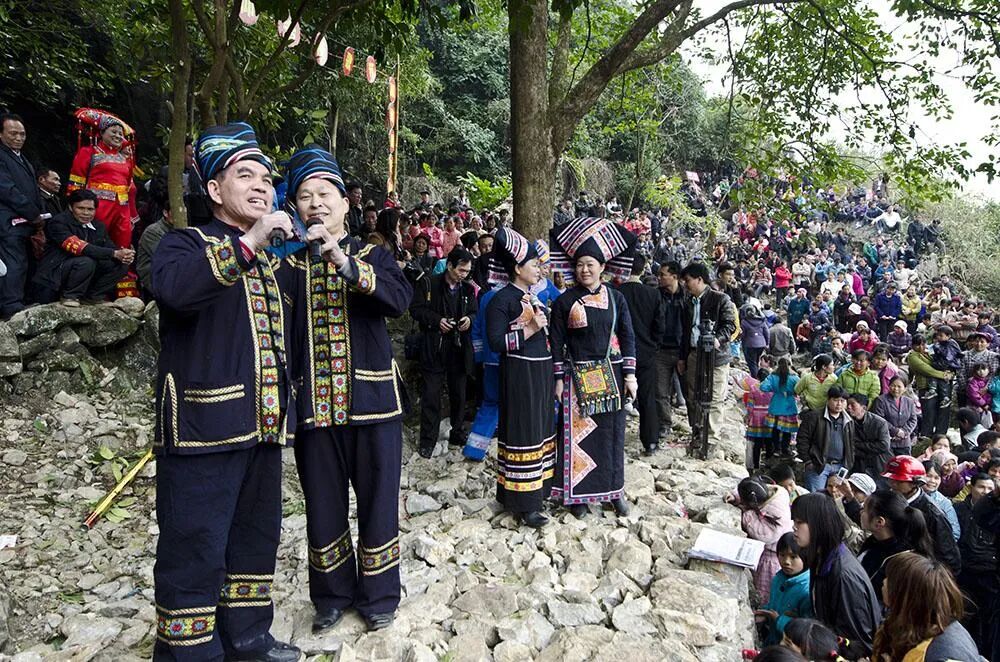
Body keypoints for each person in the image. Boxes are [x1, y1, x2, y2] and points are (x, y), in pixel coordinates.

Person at [149, 122, 299, 661]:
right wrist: (250, 242)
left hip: (262, 428)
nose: (262, 186)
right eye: (245, 176)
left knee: (255, 540)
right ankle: (190, 653)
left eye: (266, 178)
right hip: (200, 430)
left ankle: (249, 639)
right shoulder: (184, 244)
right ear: (214, 189)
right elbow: (174, 292)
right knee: (194, 546)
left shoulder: (275, 264)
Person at [277, 146, 412, 634]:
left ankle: (379, 595)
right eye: (305, 196)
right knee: (323, 503)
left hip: (373, 404)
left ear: (345, 204)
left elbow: (399, 299)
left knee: (378, 499)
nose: (315, 204)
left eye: (324, 194)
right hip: (314, 407)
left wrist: (344, 262)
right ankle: (331, 594)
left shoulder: (372, 254)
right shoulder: (288, 267)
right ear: (294, 207)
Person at [549, 216, 637, 519]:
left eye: (590, 264)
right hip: (576, 378)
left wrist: (630, 374)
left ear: (602, 267)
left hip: (610, 376)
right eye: (579, 265)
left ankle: (614, 491)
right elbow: (556, 342)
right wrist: (558, 379)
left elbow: (627, 336)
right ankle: (578, 497)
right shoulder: (564, 302)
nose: (584, 270)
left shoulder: (617, 298)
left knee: (612, 435)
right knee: (579, 436)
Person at [485, 229, 556, 528]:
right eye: (534, 264)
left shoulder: (530, 297)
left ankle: (535, 493)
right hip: (519, 374)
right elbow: (496, 342)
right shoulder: (502, 299)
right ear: (517, 268)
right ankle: (524, 505)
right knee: (523, 433)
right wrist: (529, 329)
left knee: (539, 431)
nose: (539, 269)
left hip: (540, 372)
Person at [791, 493, 880, 659]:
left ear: (818, 524)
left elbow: (857, 643)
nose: (794, 528)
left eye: (799, 522)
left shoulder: (844, 576)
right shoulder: (821, 557)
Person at [410, 247, 478, 458]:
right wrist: (437, 321)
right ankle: (427, 441)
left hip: (458, 348)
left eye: (467, 271)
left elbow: (474, 312)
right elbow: (416, 310)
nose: (463, 275)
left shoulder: (467, 290)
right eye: (461, 270)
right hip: (434, 346)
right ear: (449, 265)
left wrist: (469, 320)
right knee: (431, 394)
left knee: (460, 393)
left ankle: (457, 431)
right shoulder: (429, 283)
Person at [871, 552, 980, 662]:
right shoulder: (911, 624)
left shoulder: (943, 654)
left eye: (890, 579)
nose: (884, 582)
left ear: (907, 595)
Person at [32, 189, 132, 305]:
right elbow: (79, 247)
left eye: (90, 209)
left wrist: (124, 254)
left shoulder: (99, 226)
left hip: (85, 273)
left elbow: (110, 248)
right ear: (70, 207)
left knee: (120, 265)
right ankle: (70, 296)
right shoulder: (58, 222)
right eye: (81, 208)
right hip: (55, 274)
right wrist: (114, 253)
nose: (86, 213)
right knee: (86, 261)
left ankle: (93, 297)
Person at [680, 260, 737, 449]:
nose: (685, 285)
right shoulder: (687, 302)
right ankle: (697, 431)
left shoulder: (721, 299)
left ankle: (711, 437)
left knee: (715, 396)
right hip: (694, 354)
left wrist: (717, 339)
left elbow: (730, 325)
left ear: (699, 279)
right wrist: (682, 357)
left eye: (688, 280)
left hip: (717, 356)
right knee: (693, 394)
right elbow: (684, 331)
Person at [67, 113, 138, 250]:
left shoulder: (125, 159)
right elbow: (76, 181)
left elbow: (129, 185)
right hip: (99, 205)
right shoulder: (89, 152)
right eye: (114, 132)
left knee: (123, 241)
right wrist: (75, 205)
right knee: (97, 239)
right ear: (102, 133)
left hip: (122, 206)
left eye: (121, 134)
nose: (118, 136)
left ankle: (121, 270)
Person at [882, 456, 962, 576]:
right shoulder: (889, 499)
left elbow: (949, 556)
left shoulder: (932, 513)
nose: (893, 484)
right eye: (891, 479)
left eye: (899, 481)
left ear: (915, 483)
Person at [617, 253, 665, 455]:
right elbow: (660, 326)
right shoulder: (653, 294)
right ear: (643, 269)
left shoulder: (615, 293)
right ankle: (651, 441)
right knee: (647, 397)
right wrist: (653, 345)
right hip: (645, 353)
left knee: (616, 398)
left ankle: (614, 441)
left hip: (618, 353)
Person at [857, 488, 934, 606]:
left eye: (864, 509)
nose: (860, 511)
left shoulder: (901, 562)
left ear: (879, 522)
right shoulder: (874, 541)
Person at [0, 113, 43, 319]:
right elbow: (7, 190)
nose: (19, 138)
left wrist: (39, 213)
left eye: (22, 134)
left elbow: (33, 190)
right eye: (13, 133)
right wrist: (33, 212)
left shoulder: (22, 158)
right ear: (1, 134)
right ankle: (11, 305)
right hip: (7, 220)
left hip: (25, 220)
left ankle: (20, 300)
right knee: (14, 262)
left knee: (24, 261)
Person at [726, 477, 793, 602]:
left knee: (765, 591)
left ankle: (764, 613)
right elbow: (751, 488)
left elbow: (765, 535)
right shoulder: (773, 492)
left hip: (771, 558)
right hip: (769, 553)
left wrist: (747, 515)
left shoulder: (777, 514)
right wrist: (735, 496)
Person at [756, 532, 812, 646]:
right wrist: (765, 613)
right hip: (772, 640)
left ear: (805, 558)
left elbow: (806, 630)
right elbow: (774, 603)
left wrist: (779, 620)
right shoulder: (778, 578)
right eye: (782, 555)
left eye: (793, 557)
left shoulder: (806, 591)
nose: (786, 561)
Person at [797, 386, 855, 492]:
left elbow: (852, 443)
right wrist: (808, 461)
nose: (839, 404)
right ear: (828, 400)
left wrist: (849, 462)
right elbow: (802, 439)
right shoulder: (814, 417)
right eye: (835, 400)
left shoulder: (849, 420)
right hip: (818, 465)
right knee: (816, 497)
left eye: (842, 401)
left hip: (840, 466)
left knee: (838, 497)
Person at [907, 334, 953, 438]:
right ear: (913, 345)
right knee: (929, 415)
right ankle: (926, 438)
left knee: (942, 412)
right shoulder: (912, 356)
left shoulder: (929, 353)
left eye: (923, 344)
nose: (921, 347)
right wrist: (944, 375)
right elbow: (927, 370)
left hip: (939, 386)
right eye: (917, 345)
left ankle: (940, 436)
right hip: (925, 387)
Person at [845, 394, 892, 484]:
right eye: (848, 404)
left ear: (864, 408)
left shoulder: (879, 422)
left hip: (879, 463)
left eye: (852, 405)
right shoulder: (846, 421)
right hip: (858, 464)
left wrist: (858, 445)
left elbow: (884, 445)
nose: (849, 407)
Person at [135, 189, 173, 297]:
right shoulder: (153, 231)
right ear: (166, 213)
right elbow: (165, 257)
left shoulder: (183, 228)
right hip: (153, 273)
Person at [761, 357, 800, 458]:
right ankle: (785, 449)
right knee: (787, 430)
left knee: (775, 430)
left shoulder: (773, 376)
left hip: (775, 406)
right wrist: (792, 392)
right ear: (790, 365)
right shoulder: (794, 377)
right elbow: (800, 389)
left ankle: (776, 449)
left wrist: (775, 389)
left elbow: (763, 387)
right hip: (789, 407)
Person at [871, 376, 918, 456]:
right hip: (887, 441)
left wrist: (904, 432)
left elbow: (913, 419)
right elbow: (879, 419)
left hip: (904, 442)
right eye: (893, 386)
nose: (896, 389)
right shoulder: (880, 400)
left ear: (905, 388)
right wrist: (895, 431)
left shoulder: (909, 402)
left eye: (899, 386)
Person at [921, 458, 960, 540]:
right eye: (928, 476)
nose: (932, 481)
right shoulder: (909, 495)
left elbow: (955, 532)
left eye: (936, 478)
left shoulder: (944, 502)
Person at [741, 302, 770, 381]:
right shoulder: (761, 320)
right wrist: (767, 343)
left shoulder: (744, 322)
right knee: (756, 360)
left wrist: (742, 342)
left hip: (750, 344)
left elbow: (743, 335)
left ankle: (756, 379)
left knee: (752, 362)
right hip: (761, 344)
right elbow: (767, 332)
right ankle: (759, 377)